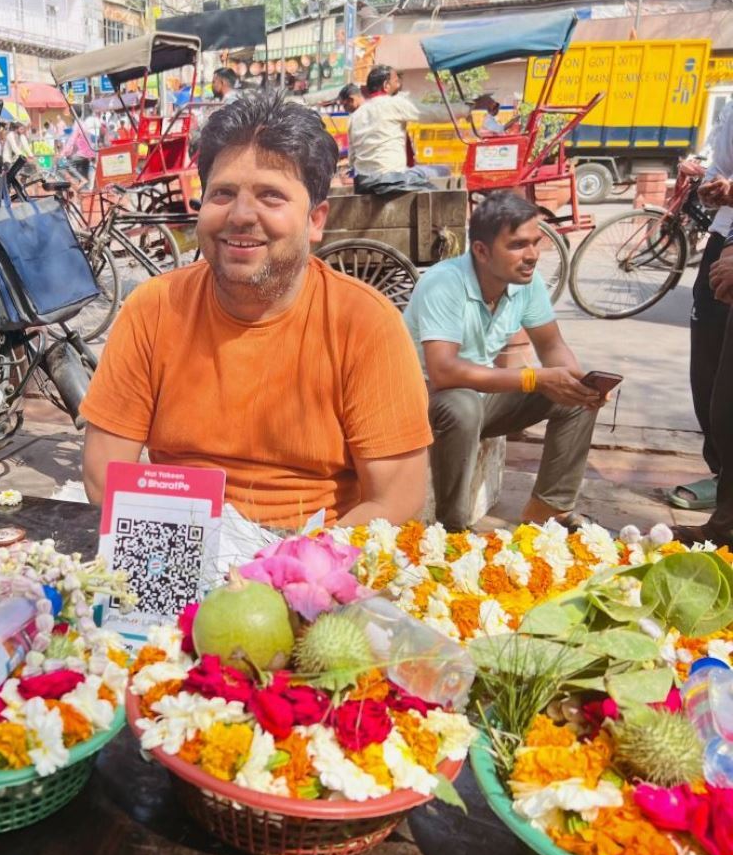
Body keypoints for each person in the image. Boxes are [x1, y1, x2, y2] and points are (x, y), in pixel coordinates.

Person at [80, 90, 432, 528]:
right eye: (223, 194)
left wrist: (281, 569)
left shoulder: (364, 323)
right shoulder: (152, 308)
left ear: (316, 220)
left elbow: (395, 498)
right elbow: (104, 475)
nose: (241, 215)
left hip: (313, 561)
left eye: (271, 196)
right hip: (175, 536)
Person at [404, 192, 603, 532]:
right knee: (462, 404)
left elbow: (551, 344)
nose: (532, 256)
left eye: (535, 243)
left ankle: (549, 510)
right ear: (481, 251)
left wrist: (576, 380)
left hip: (479, 398)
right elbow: (443, 371)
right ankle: (451, 529)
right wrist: (534, 379)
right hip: (423, 400)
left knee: (576, 398)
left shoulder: (527, 283)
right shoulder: (444, 283)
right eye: (518, 245)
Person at [666, 103, 733, 512]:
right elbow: (720, 166)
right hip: (724, 234)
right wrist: (717, 187)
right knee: (710, 359)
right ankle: (721, 473)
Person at [348, 64, 447, 195]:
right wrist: (465, 110)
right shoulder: (395, 103)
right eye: (396, 81)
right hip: (391, 179)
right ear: (386, 85)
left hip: (363, 183)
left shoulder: (355, 116)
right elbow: (433, 113)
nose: (399, 85)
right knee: (443, 171)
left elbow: (352, 158)